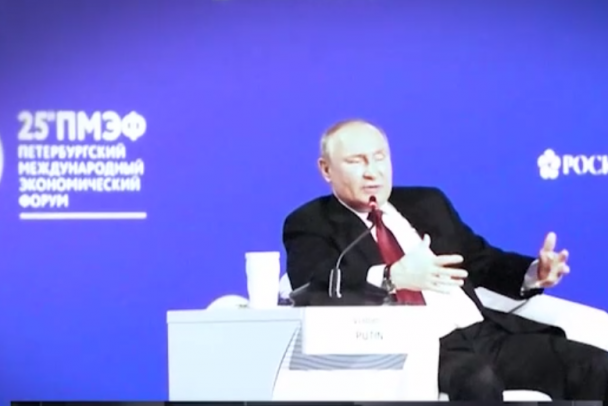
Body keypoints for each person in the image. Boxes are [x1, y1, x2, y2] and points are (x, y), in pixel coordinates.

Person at [282, 119, 608, 401]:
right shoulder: (310, 223)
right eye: (356, 161)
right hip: (417, 350)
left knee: (595, 366)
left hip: (484, 335)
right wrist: (392, 277)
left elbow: (480, 259)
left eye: (380, 157)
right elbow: (313, 288)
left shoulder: (427, 203)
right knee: (478, 381)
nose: (373, 172)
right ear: (326, 169)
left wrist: (534, 272)